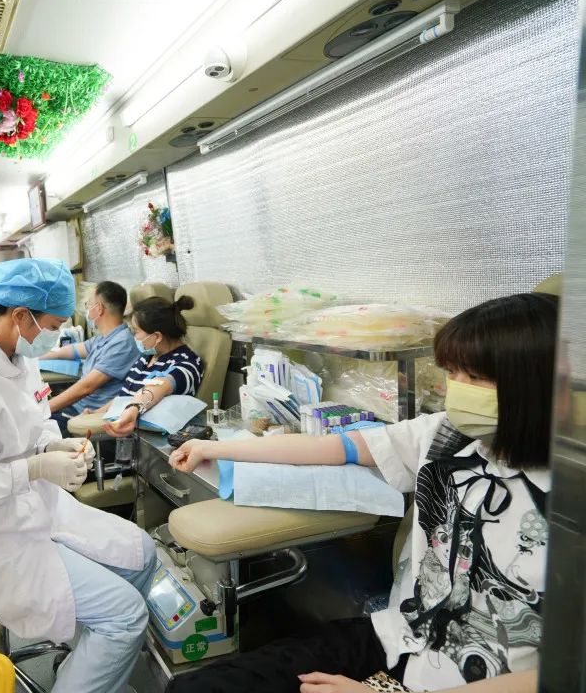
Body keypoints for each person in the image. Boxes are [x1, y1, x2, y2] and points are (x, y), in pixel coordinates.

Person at [167, 293, 557, 693]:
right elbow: (331, 448)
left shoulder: (566, 502)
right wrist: (216, 448)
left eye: (474, 377)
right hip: (400, 637)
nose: (456, 390)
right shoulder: (444, 434)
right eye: (453, 373)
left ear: (533, 382)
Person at [0, 258, 158, 693]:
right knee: (126, 616)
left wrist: (53, 446)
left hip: (37, 508)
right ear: (20, 316)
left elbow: (37, 421)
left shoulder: (21, 359)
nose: (54, 334)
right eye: (51, 326)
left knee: (142, 553)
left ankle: (88, 668)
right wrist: (31, 469)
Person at [41, 281, 140, 432]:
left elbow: (86, 388)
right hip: (75, 408)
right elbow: (71, 350)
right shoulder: (104, 338)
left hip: (86, 415)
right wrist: (37, 356)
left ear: (99, 308)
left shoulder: (122, 343)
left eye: (88, 304)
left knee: (32, 429)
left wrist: (44, 409)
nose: (87, 309)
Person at [102, 296, 205, 438]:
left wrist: (133, 408)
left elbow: (161, 386)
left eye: (136, 331)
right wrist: (97, 412)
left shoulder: (187, 363)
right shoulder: (147, 357)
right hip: (125, 429)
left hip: (148, 438)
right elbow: (124, 397)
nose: (134, 337)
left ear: (157, 336)